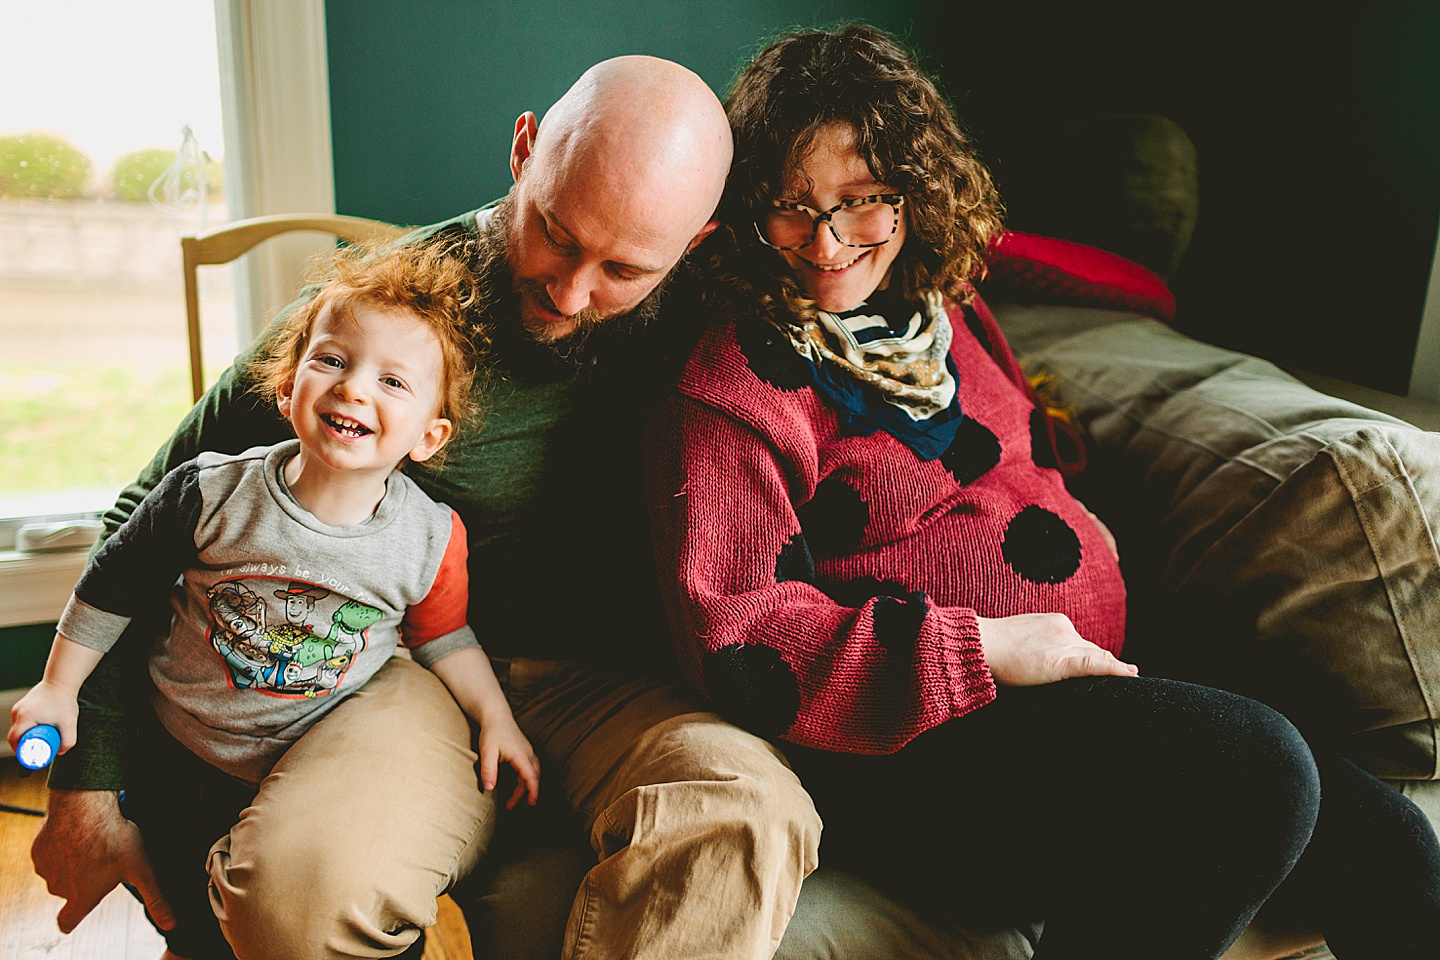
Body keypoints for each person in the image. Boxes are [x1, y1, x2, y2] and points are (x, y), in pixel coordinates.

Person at [645, 24, 1440, 959]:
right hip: (914, 748)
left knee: (1395, 848)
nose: (827, 245)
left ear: (913, 192)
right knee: (1256, 775)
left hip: (1075, 691)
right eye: (790, 207)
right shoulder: (734, 374)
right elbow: (738, 636)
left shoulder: (944, 304)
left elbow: (1016, 455)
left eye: (862, 201)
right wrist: (988, 643)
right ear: (745, 211)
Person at [30, 56, 820, 960]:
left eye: (623, 269)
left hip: (630, 687)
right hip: (421, 675)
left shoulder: (723, 320)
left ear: (695, 243)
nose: (570, 293)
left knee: (750, 812)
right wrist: (86, 782)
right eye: (554, 234)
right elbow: (150, 512)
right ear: (523, 151)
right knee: (298, 890)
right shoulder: (383, 320)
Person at [9, 239, 541, 959]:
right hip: (177, 757)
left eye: (393, 382)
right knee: (191, 923)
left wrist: (496, 719)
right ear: (287, 389)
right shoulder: (209, 492)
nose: (355, 388)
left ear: (430, 434)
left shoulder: (430, 536)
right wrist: (57, 686)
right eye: (333, 360)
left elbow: (447, 637)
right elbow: (113, 583)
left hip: (308, 764)